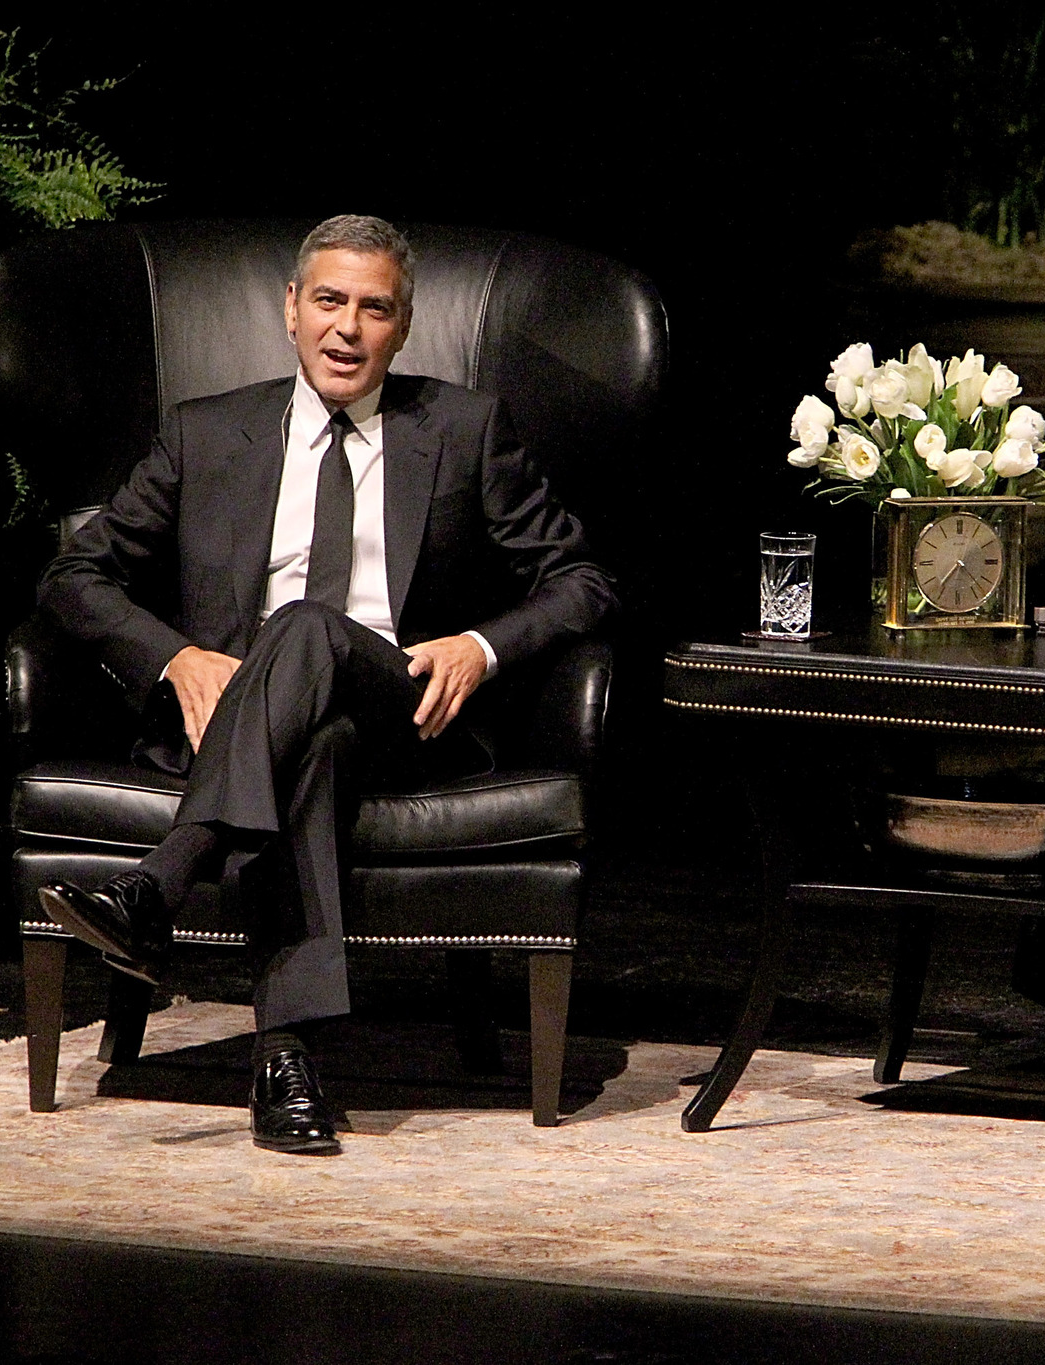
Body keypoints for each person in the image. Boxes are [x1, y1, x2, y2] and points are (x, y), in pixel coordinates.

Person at [35, 215, 616, 1156]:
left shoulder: (465, 430)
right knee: (314, 744)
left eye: (375, 308)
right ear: (292, 312)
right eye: (330, 301)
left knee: (305, 623)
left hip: (407, 707)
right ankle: (288, 1063)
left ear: (404, 325)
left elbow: (583, 581)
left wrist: (479, 644)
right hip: (248, 722)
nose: (349, 328)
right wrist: (174, 657)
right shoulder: (205, 432)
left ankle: (159, 886)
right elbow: (72, 575)